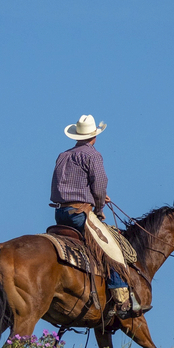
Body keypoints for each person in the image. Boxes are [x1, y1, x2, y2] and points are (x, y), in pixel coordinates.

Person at [50, 114, 134, 319]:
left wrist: (90, 194)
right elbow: (99, 183)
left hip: (60, 213)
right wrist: (98, 207)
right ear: (94, 136)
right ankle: (121, 298)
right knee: (112, 246)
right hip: (80, 214)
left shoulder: (63, 155)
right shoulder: (93, 155)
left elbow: (64, 184)